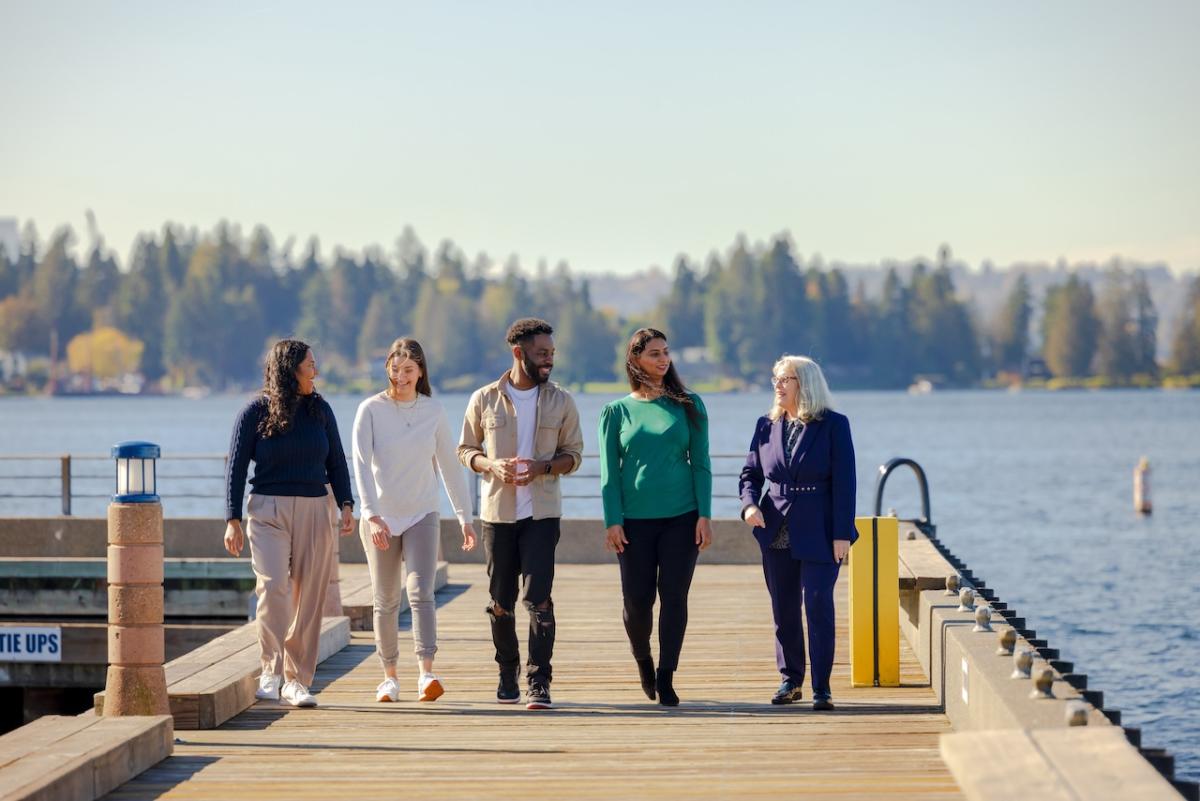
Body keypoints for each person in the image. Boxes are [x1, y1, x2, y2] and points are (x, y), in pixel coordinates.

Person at [459, 318, 584, 710]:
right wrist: (488, 465)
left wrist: (544, 467)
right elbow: (465, 449)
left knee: (539, 599)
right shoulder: (483, 398)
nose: (549, 360)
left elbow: (574, 456)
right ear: (519, 352)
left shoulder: (562, 401)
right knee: (500, 600)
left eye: (551, 353)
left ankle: (539, 680)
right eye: (541, 353)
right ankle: (506, 669)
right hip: (497, 514)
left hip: (542, 515)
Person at [224, 339, 355, 708]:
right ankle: (271, 670)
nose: (316, 370)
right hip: (267, 510)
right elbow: (235, 468)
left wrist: (346, 502)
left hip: (316, 507)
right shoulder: (254, 412)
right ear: (291, 369)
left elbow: (337, 462)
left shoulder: (321, 411)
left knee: (310, 597)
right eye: (310, 364)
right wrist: (232, 519)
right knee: (273, 586)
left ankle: (297, 681)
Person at [352, 337, 477, 704]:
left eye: (409, 369)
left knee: (421, 592)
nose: (401, 376)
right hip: (381, 519)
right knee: (386, 598)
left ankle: (426, 673)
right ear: (387, 369)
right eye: (395, 368)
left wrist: (464, 517)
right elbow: (359, 464)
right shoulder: (370, 410)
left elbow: (450, 467)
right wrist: (371, 514)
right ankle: (389, 677)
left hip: (422, 512)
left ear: (420, 371)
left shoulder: (433, 410)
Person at [598, 327, 712, 707]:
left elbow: (702, 465)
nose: (663, 360)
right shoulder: (615, 412)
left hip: (683, 517)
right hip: (633, 523)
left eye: (666, 352)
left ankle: (666, 675)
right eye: (653, 353)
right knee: (637, 603)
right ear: (635, 360)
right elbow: (609, 475)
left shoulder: (689, 404)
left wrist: (705, 515)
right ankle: (643, 661)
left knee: (674, 597)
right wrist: (612, 520)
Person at [738, 355, 856, 710]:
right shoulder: (765, 425)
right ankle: (791, 679)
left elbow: (845, 483)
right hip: (774, 527)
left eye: (785, 378)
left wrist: (841, 534)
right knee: (784, 607)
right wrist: (748, 505)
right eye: (775, 377)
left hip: (820, 529)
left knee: (818, 602)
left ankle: (822, 687)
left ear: (805, 384)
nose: (778, 384)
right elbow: (750, 475)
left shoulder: (834, 425)